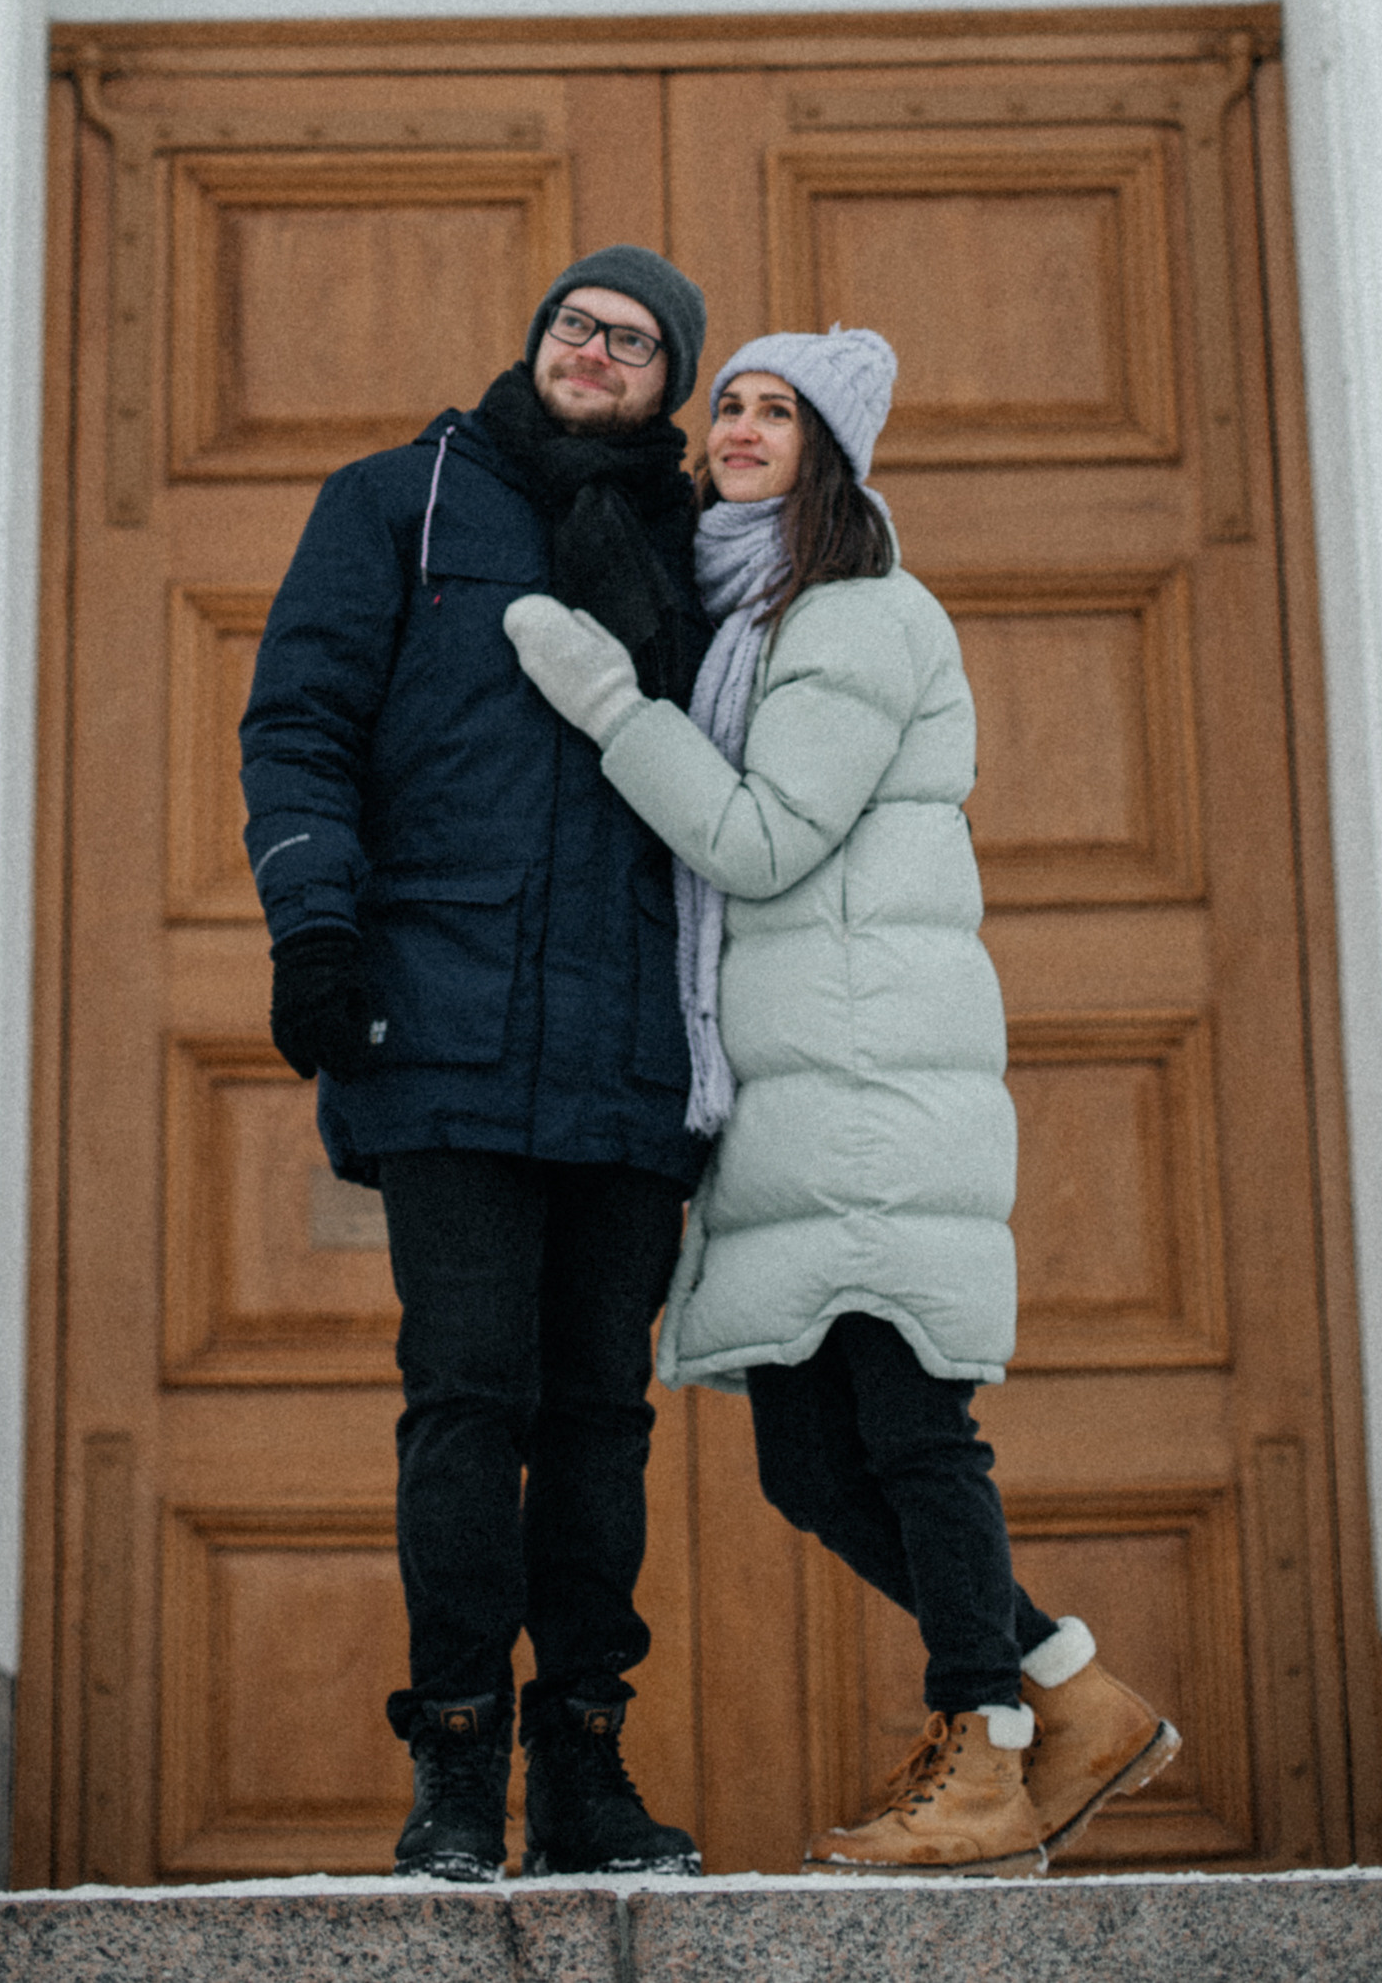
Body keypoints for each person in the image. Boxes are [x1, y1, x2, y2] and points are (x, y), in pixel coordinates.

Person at [503, 325, 1180, 1874]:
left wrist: (610, 707)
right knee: (809, 1464)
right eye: (729, 406)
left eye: (777, 413)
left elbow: (759, 841)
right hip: (803, 1080)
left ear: (832, 452)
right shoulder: (755, 614)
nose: (737, 431)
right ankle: (1073, 1695)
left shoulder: (855, 614)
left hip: (869, 1074)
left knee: (909, 1424)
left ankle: (984, 1748)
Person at [239, 246, 712, 1885]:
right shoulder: (398, 502)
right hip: (439, 1018)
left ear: (669, 383)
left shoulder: (696, 542)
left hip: (632, 1041)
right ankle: (453, 1765)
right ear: (537, 338)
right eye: (578, 325)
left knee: (598, 1416)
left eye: (635, 343)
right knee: (465, 1397)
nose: (595, 353)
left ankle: (582, 1767)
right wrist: (314, 927)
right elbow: (300, 721)